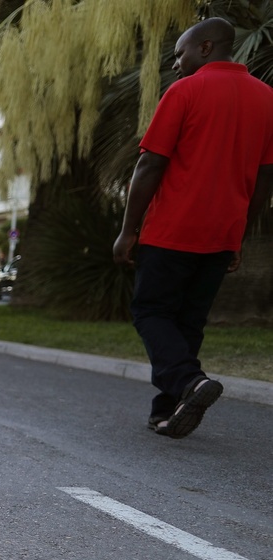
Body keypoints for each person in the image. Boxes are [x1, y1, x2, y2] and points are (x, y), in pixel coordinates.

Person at [112, 17, 273, 439]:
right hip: (222, 235)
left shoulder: (185, 90)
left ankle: (188, 382)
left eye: (179, 53)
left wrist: (128, 231)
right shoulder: (267, 97)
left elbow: (150, 163)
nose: (175, 62)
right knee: (188, 322)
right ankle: (167, 411)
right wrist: (239, 236)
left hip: (173, 229)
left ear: (205, 47)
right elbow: (265, 178)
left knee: (151, 311)